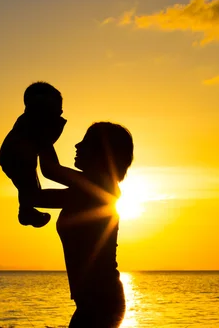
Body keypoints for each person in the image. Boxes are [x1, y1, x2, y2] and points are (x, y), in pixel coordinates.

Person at [34, 122, 134, 327]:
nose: (77, 146)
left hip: (101, 302)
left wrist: (40, 132)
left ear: (102, 153)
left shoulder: (101, 187)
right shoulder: (88, 191)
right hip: (94, 302)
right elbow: (36, 197)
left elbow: (50, 170)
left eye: (86, 143)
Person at [0, 82, 66, 228]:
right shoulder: (34, 121)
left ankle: (26, 211)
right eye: (56, 107)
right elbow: (50, 165)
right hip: (17, 156)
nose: (59, 112)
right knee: (29, 187)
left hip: (18, 156)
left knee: (27, 186)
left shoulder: (35, 121)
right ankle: (26, 212)